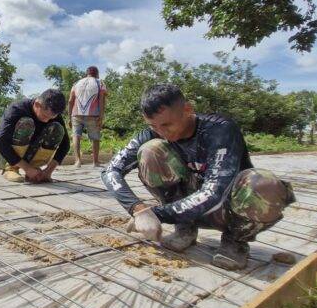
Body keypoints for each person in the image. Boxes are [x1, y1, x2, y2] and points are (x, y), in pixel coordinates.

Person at [101, 84, 295, 270]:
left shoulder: (220, 130)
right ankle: (184, 228)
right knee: (149, 150)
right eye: (154, 126)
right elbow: (110, 171)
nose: (162, 132)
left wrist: (157, 214)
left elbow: (214, 193)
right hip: (183, 209)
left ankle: (235, 241)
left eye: (167, 124)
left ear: (187, 109)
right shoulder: (152, 133)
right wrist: (138, 209)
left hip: (227, 209)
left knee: (264, 183)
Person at [0, 89, 69, 183]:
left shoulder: (53, 115)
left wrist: (48, 171)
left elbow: (65, 145)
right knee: (26, 123)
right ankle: (11, 168)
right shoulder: (17, 109)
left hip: (29, 154)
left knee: (57, 128)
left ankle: (34, 169)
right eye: (44, 116)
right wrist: (27, 168)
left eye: (50, 118)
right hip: (3, 155)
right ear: (37, 104)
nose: (46, 120)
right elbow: (0, 143)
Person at [68, 66, 107, 167]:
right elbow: (102, 100)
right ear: (97, 73)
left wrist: (69, 117)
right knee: (95, 138)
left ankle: (77, 161)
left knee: (76, 136)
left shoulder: (76, 83)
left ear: (87, 73)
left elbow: (70, 101)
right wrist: (101, 116)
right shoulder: (100, 83)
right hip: (93, 114)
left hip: (76, 113)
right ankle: (95, 162)